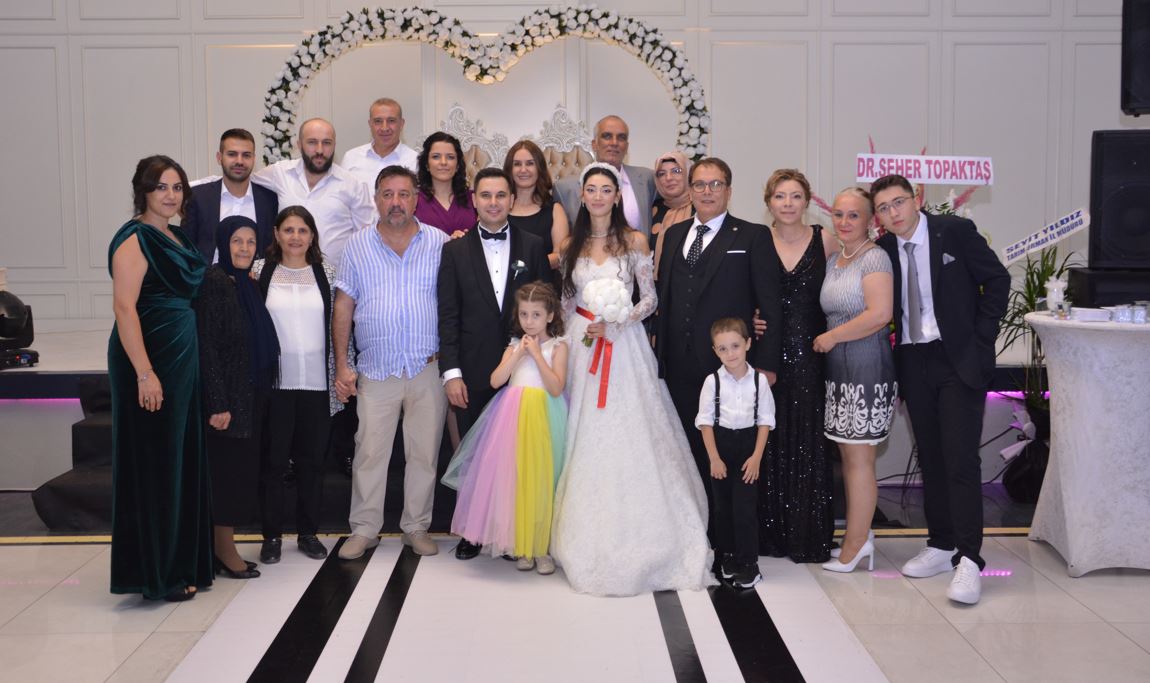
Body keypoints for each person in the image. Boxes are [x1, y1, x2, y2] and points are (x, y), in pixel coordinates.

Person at [551, 162, 714, 596]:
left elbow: (651, 299)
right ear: (582, 196)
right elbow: (565, 301)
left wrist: (619, 320)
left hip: (624, 344)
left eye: (606, 189)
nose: (598, 196)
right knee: (582, 430)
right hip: (582, 341)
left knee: (629, 429)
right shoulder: (569, 245)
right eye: (591, 189)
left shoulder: (635, 241)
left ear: (617, 196)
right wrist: (566, 337)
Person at [873, 174, 1009, 604]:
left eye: (898, 202)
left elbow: (997, 281)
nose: (893, 212)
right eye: (884, 208)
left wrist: (981, 338)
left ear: (916, 199)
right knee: (930, 457)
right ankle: (941, 543)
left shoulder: (954, 231)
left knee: (960, 459)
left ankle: (969, 558)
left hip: (958, 359)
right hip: (913, 361)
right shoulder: (883, 251)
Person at [655, 157, 782, 538]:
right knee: (687, 450)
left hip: (730, 368)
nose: (707, 192)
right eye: (699, 184)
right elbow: (667, 298)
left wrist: (767, 365)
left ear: (728, 190)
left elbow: (770, 303)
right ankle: (694, 532)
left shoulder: (752, 236)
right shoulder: (674, 235)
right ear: (690, 190)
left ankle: (727, 538)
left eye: (715, 184)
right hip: (679, 365)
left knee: (728, 457)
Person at [333, 165, 449, 560]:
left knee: (424, 453)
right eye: (387, 194)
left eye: (403, 194)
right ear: (376, 199)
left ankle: (416, 527)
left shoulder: (439, 243)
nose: (395, 202)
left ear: (416, 199)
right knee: (370, 452)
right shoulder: (357, 245)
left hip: (426, 366)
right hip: (376, 368)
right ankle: (364, 529)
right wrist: (342, 364)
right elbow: (343, 305)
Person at [109, 155, 212, 602]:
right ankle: (158, 574)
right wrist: (145, 373)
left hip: (180, 361)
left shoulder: (176, 235)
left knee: (179, 462)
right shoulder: (134, 239)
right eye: (161, 187)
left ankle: (183, 562)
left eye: (177, 187)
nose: (170, 195)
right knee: (157, 465)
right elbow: (124, 308)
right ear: (143, 192)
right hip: (148, 361)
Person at [437, 167, 548, 559]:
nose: (494, 202)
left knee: (517, 454)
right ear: (474, 200)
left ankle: (513, 533)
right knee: (475, 453)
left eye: (501, 195)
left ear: (511, 199)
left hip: (524, 368)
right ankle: (473, 532)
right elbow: (448, 316)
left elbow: (546, 305)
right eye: (486, 195)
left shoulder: (533, 245)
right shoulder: (454, 251)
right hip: (473, 369)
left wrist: (535, 354)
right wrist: (451, 373)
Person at [442, 282, 569, 574]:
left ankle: (542, 549)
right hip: (512, 418)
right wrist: (518, 355)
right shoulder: (514, 346)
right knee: (518, 482)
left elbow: (556, 387)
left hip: (545, 418)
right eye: (524, 314)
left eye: (536, 315)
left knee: (543, 481)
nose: (529, 321)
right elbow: (496, 380)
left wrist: (537, 356)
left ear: (550, 316)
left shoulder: (558, 347)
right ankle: (523, 546)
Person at [252, 206, 350, 563]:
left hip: (316, 385)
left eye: (303, 230)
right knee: (274, 463)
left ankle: (308, 533)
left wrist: (343, 371)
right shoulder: (260, 272)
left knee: (312, 463)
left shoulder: (327, 273)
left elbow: (341, 325)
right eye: (289, 230)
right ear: (277, 234)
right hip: (275, 386)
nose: (295, 237)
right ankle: (272, 536)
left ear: (312, 236)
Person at [815, 187, 895, 574]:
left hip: (865, 367)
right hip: (838, 371)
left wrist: (832, 337)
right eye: (839, 214)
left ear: (870, 221)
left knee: (860, 459)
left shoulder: (874, 257)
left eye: (854, 215)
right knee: (849, 458)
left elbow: (880, 314)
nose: (844, 222)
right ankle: (857, 537)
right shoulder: (836, 259)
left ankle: (857, 544)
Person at [195, 215, 280, 580]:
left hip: (250, 396)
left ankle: (222, 547)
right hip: (228, 401)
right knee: (227, 478)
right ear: (223, 243)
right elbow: (207, 346)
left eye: (250, 242)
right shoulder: (214, 282)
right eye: (237, 241)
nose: (244, 248)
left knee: (238, 474)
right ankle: (224, 551)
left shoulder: (246, 284)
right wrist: (218, 403)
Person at [761, 168, 838, 563]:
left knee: (808, 439)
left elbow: (844, 290)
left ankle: (806, 535)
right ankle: (771, 535)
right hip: (767, 354)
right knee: (769, 437)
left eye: (795, 196)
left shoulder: (826, 240)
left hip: (813, 353)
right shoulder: (759, 240)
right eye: (780, 196)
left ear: (807, 201)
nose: (788, 203)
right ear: (768, 202)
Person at [696, 318, 775, 589]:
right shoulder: (712, 382)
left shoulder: (760, 382)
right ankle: (728, 557)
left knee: (744, 509)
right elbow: (705, 423)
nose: (730, 353)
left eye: (735, 346)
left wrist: (756, 458)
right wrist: (714, 458)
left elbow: (765, 422)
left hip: (748, 452)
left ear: (748, 344)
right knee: (723, 509)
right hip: (721, 448)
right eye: (723, 349)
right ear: (715, 351)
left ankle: (749, 563)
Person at [237, 118, 375, 269]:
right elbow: (241, 178)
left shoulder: (353, 185)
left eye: (327, 143)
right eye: (312, 142)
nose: (320, 150)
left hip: (335, 278)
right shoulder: (280, 173)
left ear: (334, 145)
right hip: (285, 275)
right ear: (299, 145)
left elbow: (367, 238)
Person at [182, 128, 279, 263]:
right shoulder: (198, 197)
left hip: (256, 276)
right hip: (207, 275)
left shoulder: (270, 200)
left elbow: (273, 250)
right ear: (219, 157)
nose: (239, 161)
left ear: (253, 159)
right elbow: (186, 249)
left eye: (246, 155)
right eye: (232, 154)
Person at [552, 115, 656, 237]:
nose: (614, 143)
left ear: (627, 147)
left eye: (621, 137)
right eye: (607, 136)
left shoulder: (647, 178)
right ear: (594, 144)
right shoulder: (564, 188)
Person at [504, 139, 569, 272]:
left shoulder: (555, 210)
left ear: (539, 168)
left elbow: (560, 256)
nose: (523, 170)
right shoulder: (497, 208)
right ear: (510, 169)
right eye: (517, 164)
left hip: (543, 283)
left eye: (530, 163)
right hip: (503, 282)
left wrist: (524, 267)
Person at [340, 97, 419, 188]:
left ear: (401, 124)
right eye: (378, 121)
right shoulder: (351, 158)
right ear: (370, 124)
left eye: (391, 121)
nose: (384, 128)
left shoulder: (415, 161)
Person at [415, 131, 476, 237]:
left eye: (450, 157)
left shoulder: (473, 198)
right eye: (436, 157)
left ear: (457, 165)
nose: (443, 162)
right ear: (426, 164)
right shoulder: (414, 200)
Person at [650, 151, 694, 272]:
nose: (668, 178)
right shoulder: (651, 210)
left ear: (688, 174)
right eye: (662, 174)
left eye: (676, 171)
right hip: (653, 283)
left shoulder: (700, 210)